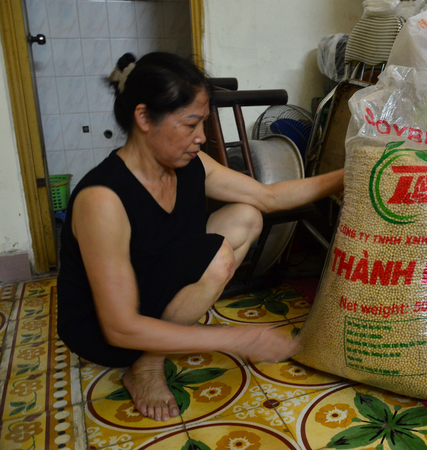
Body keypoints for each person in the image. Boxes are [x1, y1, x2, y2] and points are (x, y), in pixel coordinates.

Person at [56, 52, 344, 423]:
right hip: (104, 330)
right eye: (190, 124)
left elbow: (268, 197)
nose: (201, 138)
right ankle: (145, 367)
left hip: (150, 281)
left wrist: (344, 175)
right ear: (144, 118)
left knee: (246, 216)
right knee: (218, 255)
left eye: (203, 123)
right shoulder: (102, 199)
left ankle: (155, 348)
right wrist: (238, 340)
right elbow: (119, 325)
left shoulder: (192, 163)